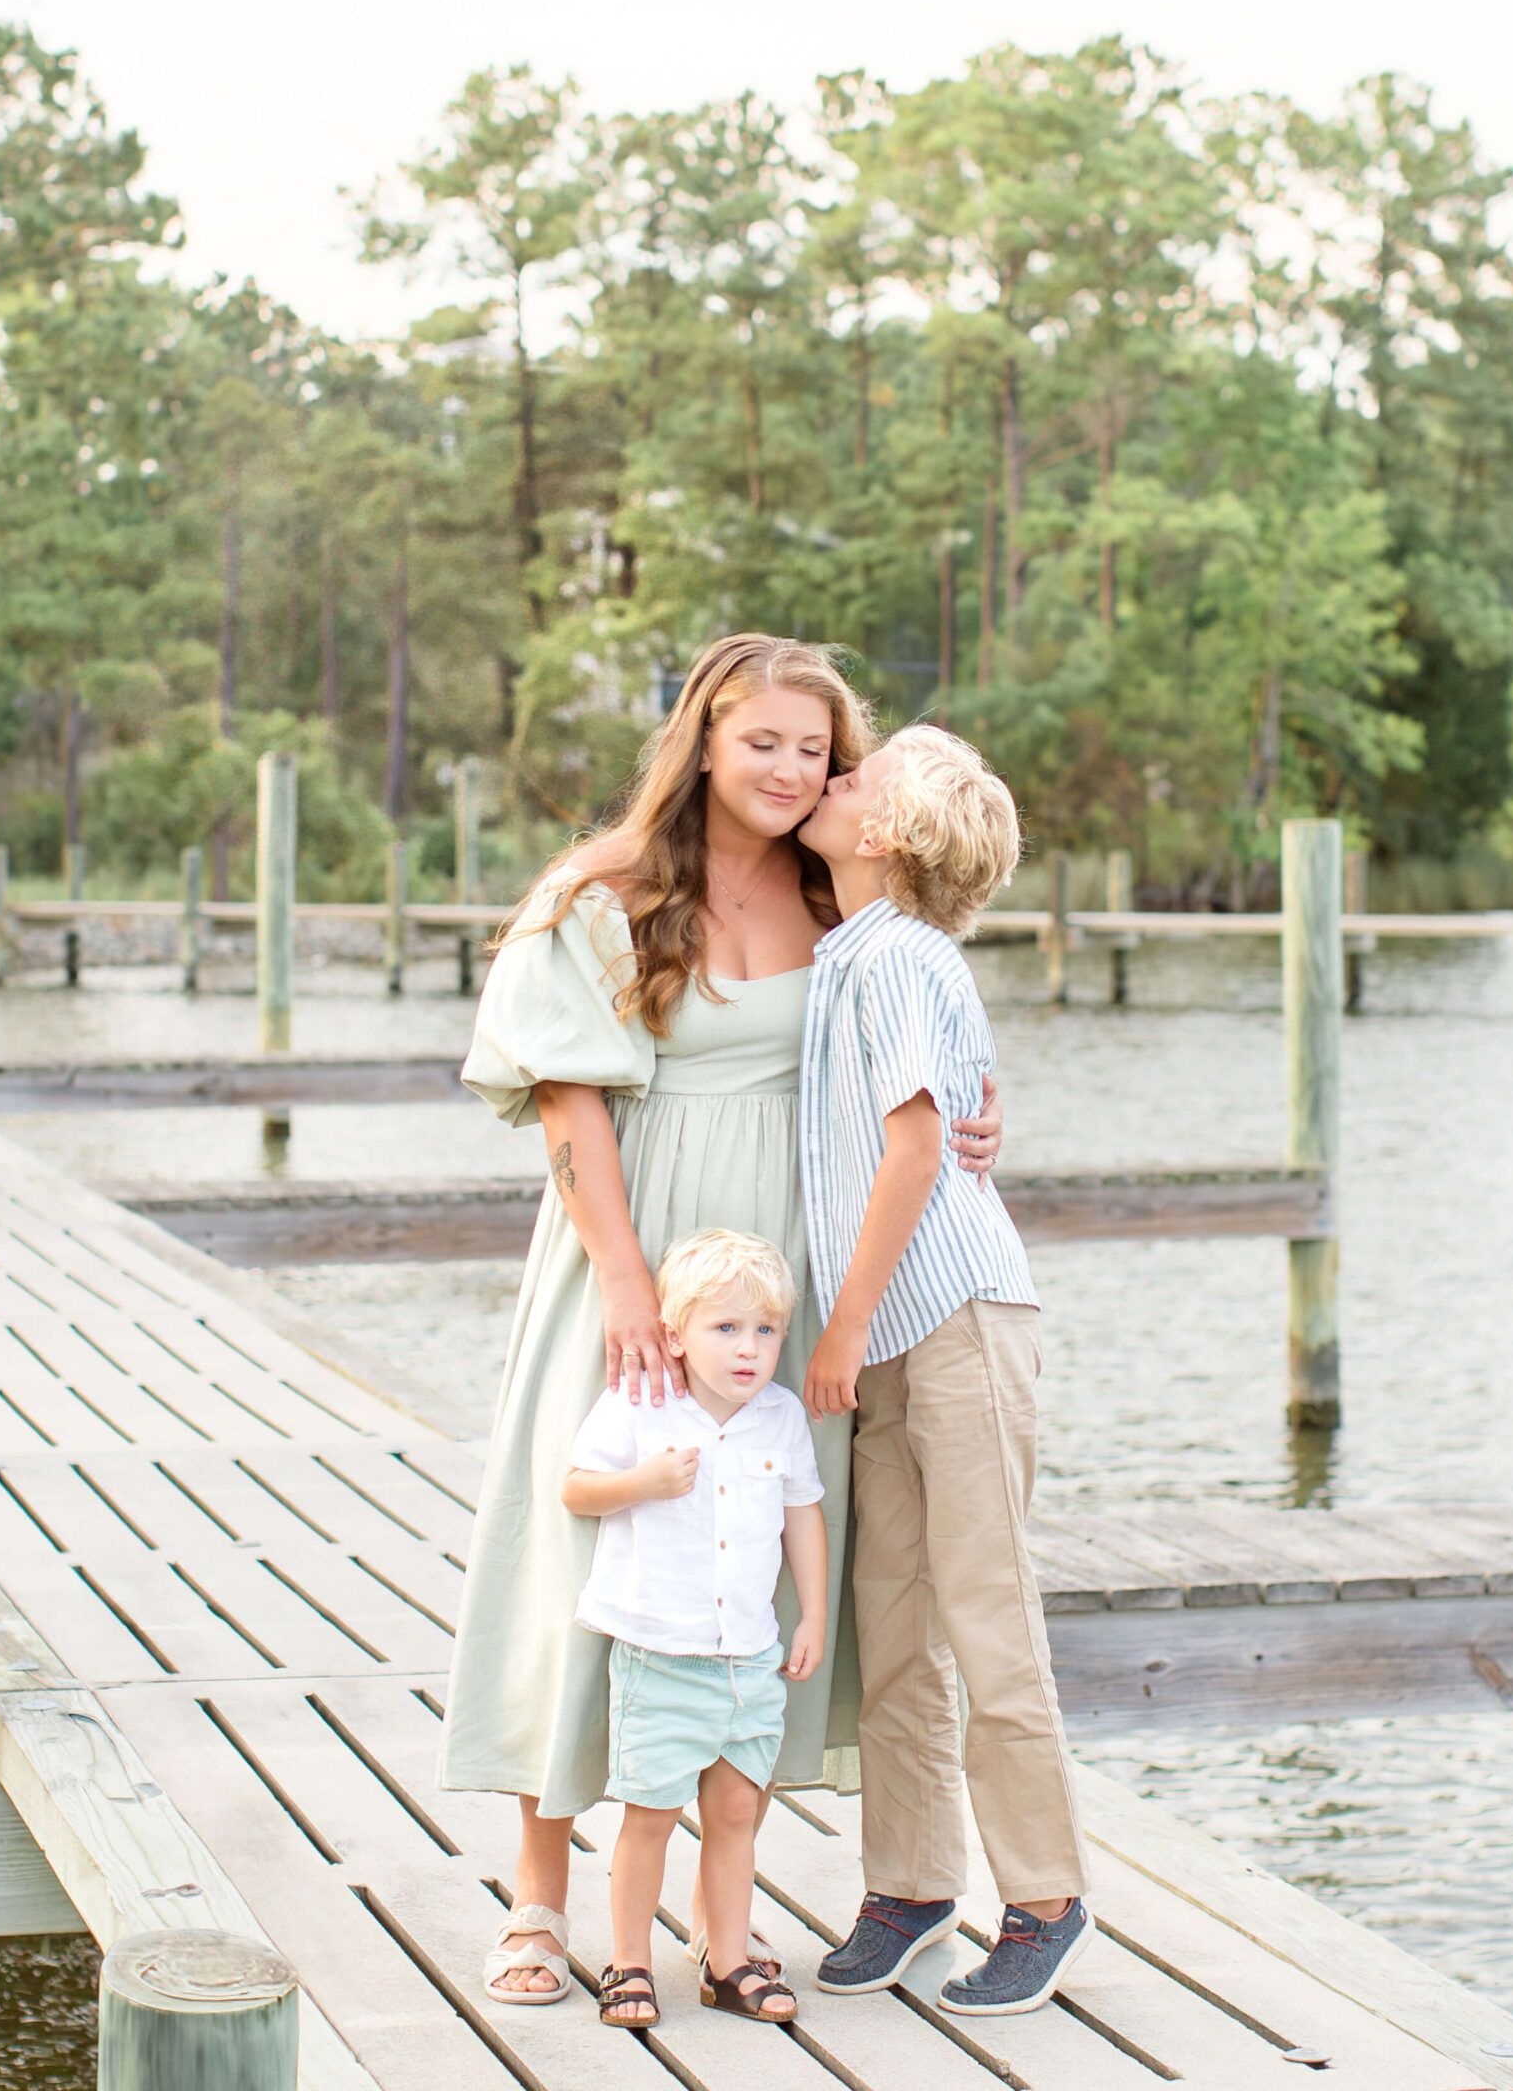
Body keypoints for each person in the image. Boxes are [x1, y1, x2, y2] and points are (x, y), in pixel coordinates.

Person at [443, 634, 1004, 2007]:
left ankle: (716, 1911)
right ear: (702, 737)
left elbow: (923, 1055)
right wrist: (625, 1276)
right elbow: (569, 1101)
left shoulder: (846, 899)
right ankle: (536, 1889)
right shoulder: (608, 892)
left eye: (815, 750)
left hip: (790, 1270)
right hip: (637, 1255)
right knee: (593, 1547)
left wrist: (981, 1109)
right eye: (763, 742)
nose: (788, 769)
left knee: (746, 1556)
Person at [797, 725, 1092, 2018]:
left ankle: (1043, 1897)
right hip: (900, 1323)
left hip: (954, 1314)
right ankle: (911, 1883)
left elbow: (916, 1154)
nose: (829, 778)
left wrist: (841, 1328)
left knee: (985, 1613)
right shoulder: (851, 951)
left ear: (884, 838)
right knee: (893, 1617)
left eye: (852, 778)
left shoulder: (899, 958)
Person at [563, 1229, 826, 2029]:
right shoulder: (639, 1403)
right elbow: (577, 1488)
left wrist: (812, 1612)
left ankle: (728, 1962)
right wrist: (642, 1482)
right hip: (660, 1653)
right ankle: (629, 1962)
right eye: (725, 1329)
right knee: (648, 1812)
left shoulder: (779, 1417)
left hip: (748, 1657)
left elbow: (802, 1516)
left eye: (765, 1331)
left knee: (738, 1811)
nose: (748, 1349)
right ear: (676, 1336)